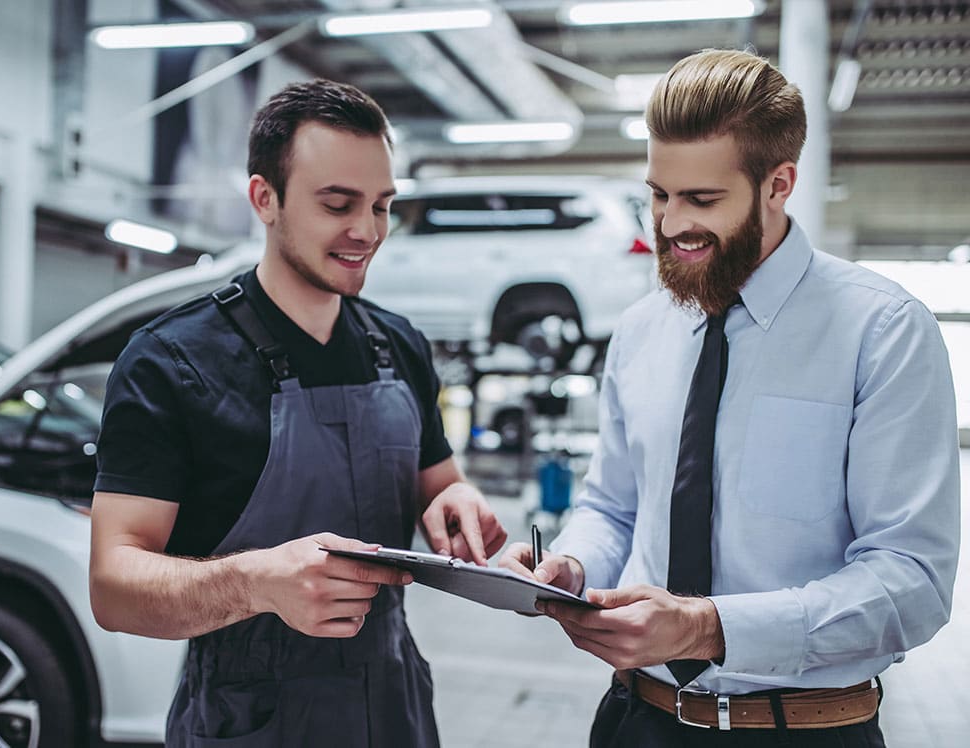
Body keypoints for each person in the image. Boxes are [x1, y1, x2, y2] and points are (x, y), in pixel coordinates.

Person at [501, 49, 959, 747]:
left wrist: (707, 627)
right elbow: (613, 506)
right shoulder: (641, 329)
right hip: (635, 722)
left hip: (798, 731)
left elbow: (911, 582)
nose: (670, 223)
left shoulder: (883, 332)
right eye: (659, 193)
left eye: (702, 200)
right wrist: (572, 564)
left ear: (779, 185)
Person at [89, 78, 507, 747]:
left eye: (381, 205)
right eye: (338, 204)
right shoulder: (171, 361)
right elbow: (115, 585)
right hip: (248, 718)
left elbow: (439, 481)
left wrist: (457, 502)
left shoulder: (399, 344)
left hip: (393, 705)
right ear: (265, 199)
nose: (367, 231)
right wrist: (255, 583)